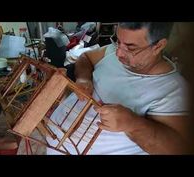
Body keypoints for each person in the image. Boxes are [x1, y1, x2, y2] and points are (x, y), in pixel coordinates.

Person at [46, 22, 192, 155]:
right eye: (118, 42)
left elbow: (177, 149)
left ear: (158, 46)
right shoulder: (112, 51)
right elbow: (86, 58)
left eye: (130, 47)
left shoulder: (173, 90)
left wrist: (133, 124)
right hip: (53, 141)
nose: (118, 53)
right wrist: (84, 78)